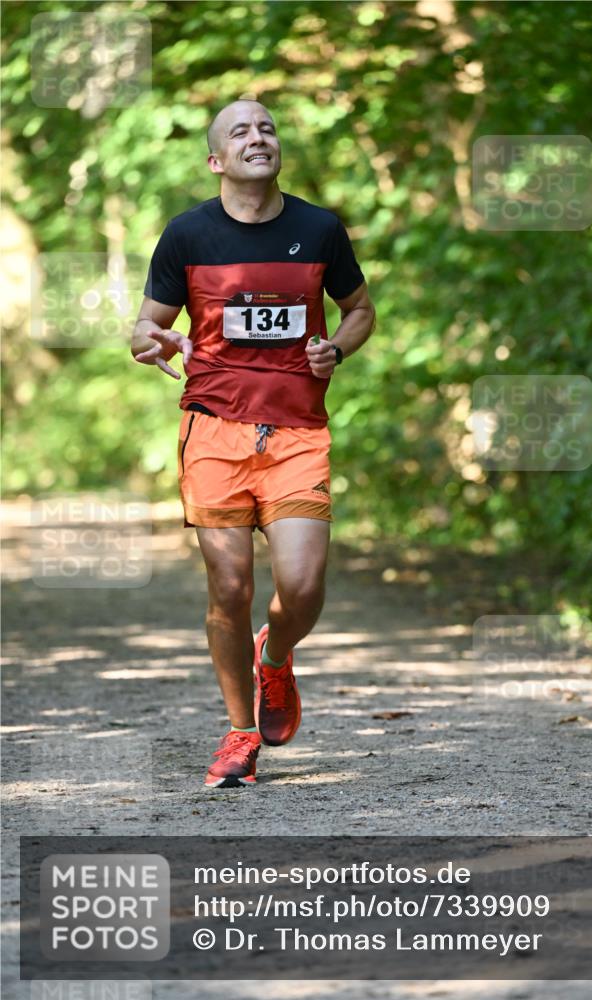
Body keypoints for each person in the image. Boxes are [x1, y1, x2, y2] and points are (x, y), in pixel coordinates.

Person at [131, 99, 375, 788]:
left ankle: (275, 656)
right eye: (238, 130)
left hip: (297, 430)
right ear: (216, 160)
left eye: (266, 126)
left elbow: (359, 310)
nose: (256, 136)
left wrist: (334, 347)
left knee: (299, 586)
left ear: (277, 150)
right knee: (230, 586)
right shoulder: (186, 236)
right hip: (213, 429)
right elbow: (142, 328)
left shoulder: (318, 229)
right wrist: (156, 339)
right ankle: (239, 735)